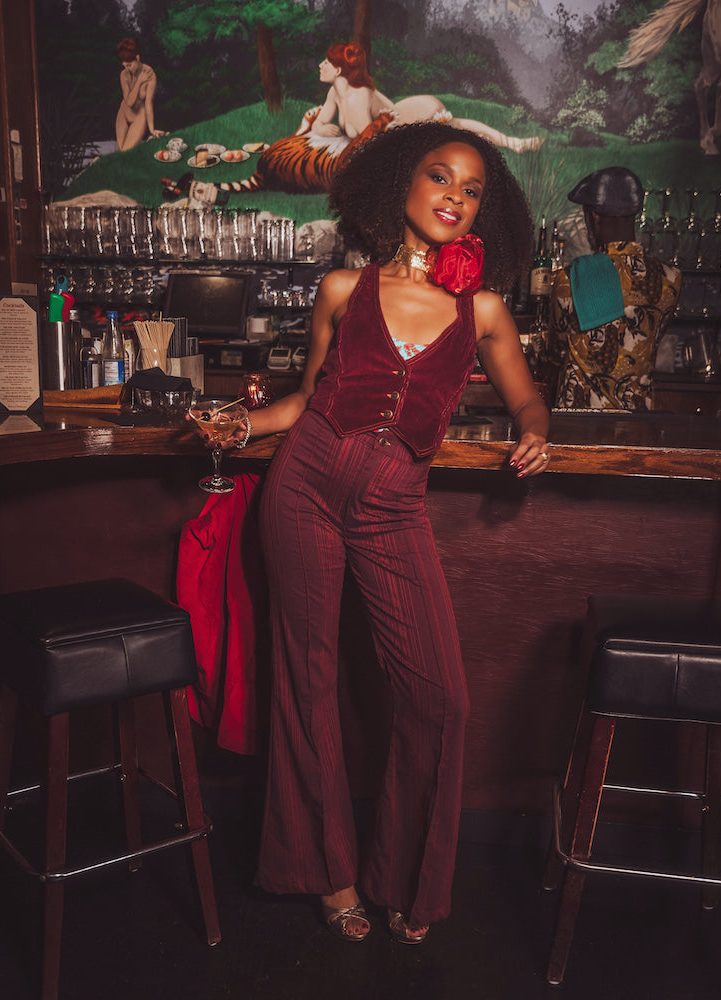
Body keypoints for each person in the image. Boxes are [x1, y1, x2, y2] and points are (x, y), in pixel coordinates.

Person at [209, 121, 549, 944]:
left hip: (394, 506)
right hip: (303, 492)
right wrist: (238, 425)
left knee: (440, 698)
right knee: (308, 680)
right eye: (440, 178)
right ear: (400, 186)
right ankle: (325, 873)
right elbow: (302, 403)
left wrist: (537, 431)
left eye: (472, 191)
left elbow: (526, 399)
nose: (455, 199)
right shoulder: (341, 290)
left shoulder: (484, 311)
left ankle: (406, 878)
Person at [547, 166, 682, 410]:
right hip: (637, 419)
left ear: (593, 217)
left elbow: (556, 349)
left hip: (576, 420)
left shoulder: (570, 277)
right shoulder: (671, 278)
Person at [311, 41, 543, 154]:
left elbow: (371, 142)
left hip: (413, 115)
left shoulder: (358, 97)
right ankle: (510, 142)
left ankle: (511, 142)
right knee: (457, 127)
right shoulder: (335, 93)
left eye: (326, 63)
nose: (320, 66)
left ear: (339, 70)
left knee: (452, 127)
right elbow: (321, 122)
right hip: (403, 113)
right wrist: (321, 129)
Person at [115, 38, 164, 151]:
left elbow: (148, 103)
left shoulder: (150, 74)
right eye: (125, 66)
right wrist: (139, 81)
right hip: (124, 112)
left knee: (125, 152)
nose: (127, 69)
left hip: (139, 116)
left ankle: (148, 141)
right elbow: (129, 102)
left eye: (129, 65)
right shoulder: (124, 75)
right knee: (120, 151)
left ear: (137, 58)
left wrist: (151, 129)